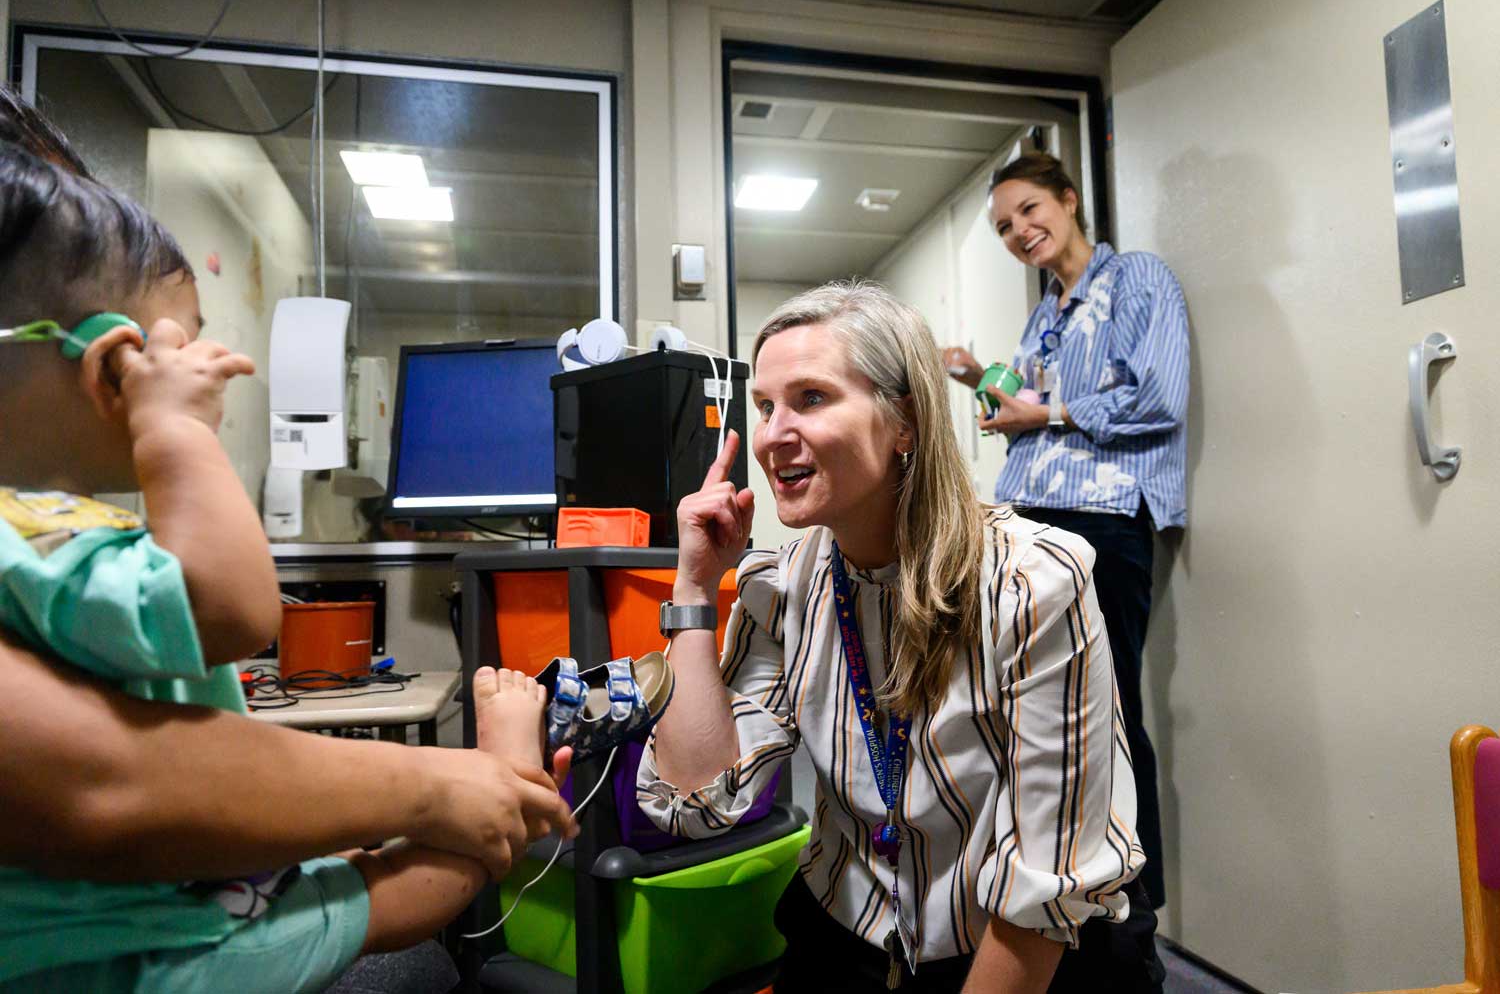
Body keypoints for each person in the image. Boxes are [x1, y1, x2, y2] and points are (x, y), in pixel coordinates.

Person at [0, 143, 570, 992]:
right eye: (185, 348)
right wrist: (177, 434)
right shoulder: (46, 533)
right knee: (410, 889)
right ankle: (514, 776)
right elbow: (235, 609)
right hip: (153, 951)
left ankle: (499, 786)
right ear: (113, 366)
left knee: (372, 874)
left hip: (155, 888)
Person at [642, 282, 1162, 992]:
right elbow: (699, 800)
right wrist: (695, 589)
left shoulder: (1034, 583)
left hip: (1025, 947)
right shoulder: (783, 585)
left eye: (812, 398)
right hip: (847, 932)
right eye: (764, 407)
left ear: (905, 421)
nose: (771, 435)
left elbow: (1043, 890)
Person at [942, 152, 1188, 913]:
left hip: (1104, 520)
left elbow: (1157, 398)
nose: (1019, 231)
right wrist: (981, 374)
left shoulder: (1137, 280)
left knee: (1110, 709)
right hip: (1025, 520)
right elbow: (1025, 407)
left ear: (1069, 199)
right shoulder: (1045, 313)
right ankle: (1050, 890)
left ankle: (1131, 906)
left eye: (1028, 210)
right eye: (1005, 226)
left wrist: (1043, 413)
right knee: (1033, 708)